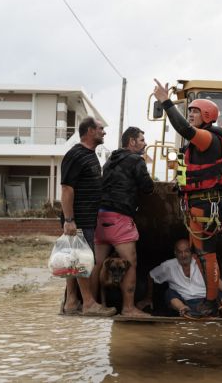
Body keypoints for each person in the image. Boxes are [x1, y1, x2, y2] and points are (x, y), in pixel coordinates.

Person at [152, 79, 222, 316]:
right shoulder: (197, 143)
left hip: (208, 206)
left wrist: (166, 102)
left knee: (207, 254)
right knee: (199, 253)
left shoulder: (207, 138)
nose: (191, 115)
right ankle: (208, 297)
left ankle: (211, 300)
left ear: (207, 114)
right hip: (196, 203)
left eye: (195, 111)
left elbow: (184, 129)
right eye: (190, 112)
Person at [92, 126, 154, 317]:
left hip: (100, 217)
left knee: (98, 264)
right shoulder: (136, 160)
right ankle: (128, 308)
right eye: (142, 140)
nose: (145, 143)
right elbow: (148, 187)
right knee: (130, 263)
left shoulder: (110, 160)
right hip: (120, 218)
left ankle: (92, 304)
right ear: (132, 142)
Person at [60, 116, 116, 317]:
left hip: (85, 218)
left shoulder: (90, 155)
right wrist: (69, 220)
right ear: (90, 131)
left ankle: (71, 301)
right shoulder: (75, 154)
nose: (104, 132)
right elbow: (67, 188)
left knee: (74, 259)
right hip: (79, 219)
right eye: (101, 128)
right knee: (82, 260)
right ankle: (89, 304)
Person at [137, 239, 222, 318]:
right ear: (175, 253)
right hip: (185, 302)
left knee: (218, 292)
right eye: (180, 252)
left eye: (186, 251)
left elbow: (214, 279)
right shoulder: (168, 266)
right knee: (169, 293)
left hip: (207, 301)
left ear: (192, 252)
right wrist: (148, 298)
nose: (183, 255)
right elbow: (151, 276)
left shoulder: (201, 263)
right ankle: (183, 310)